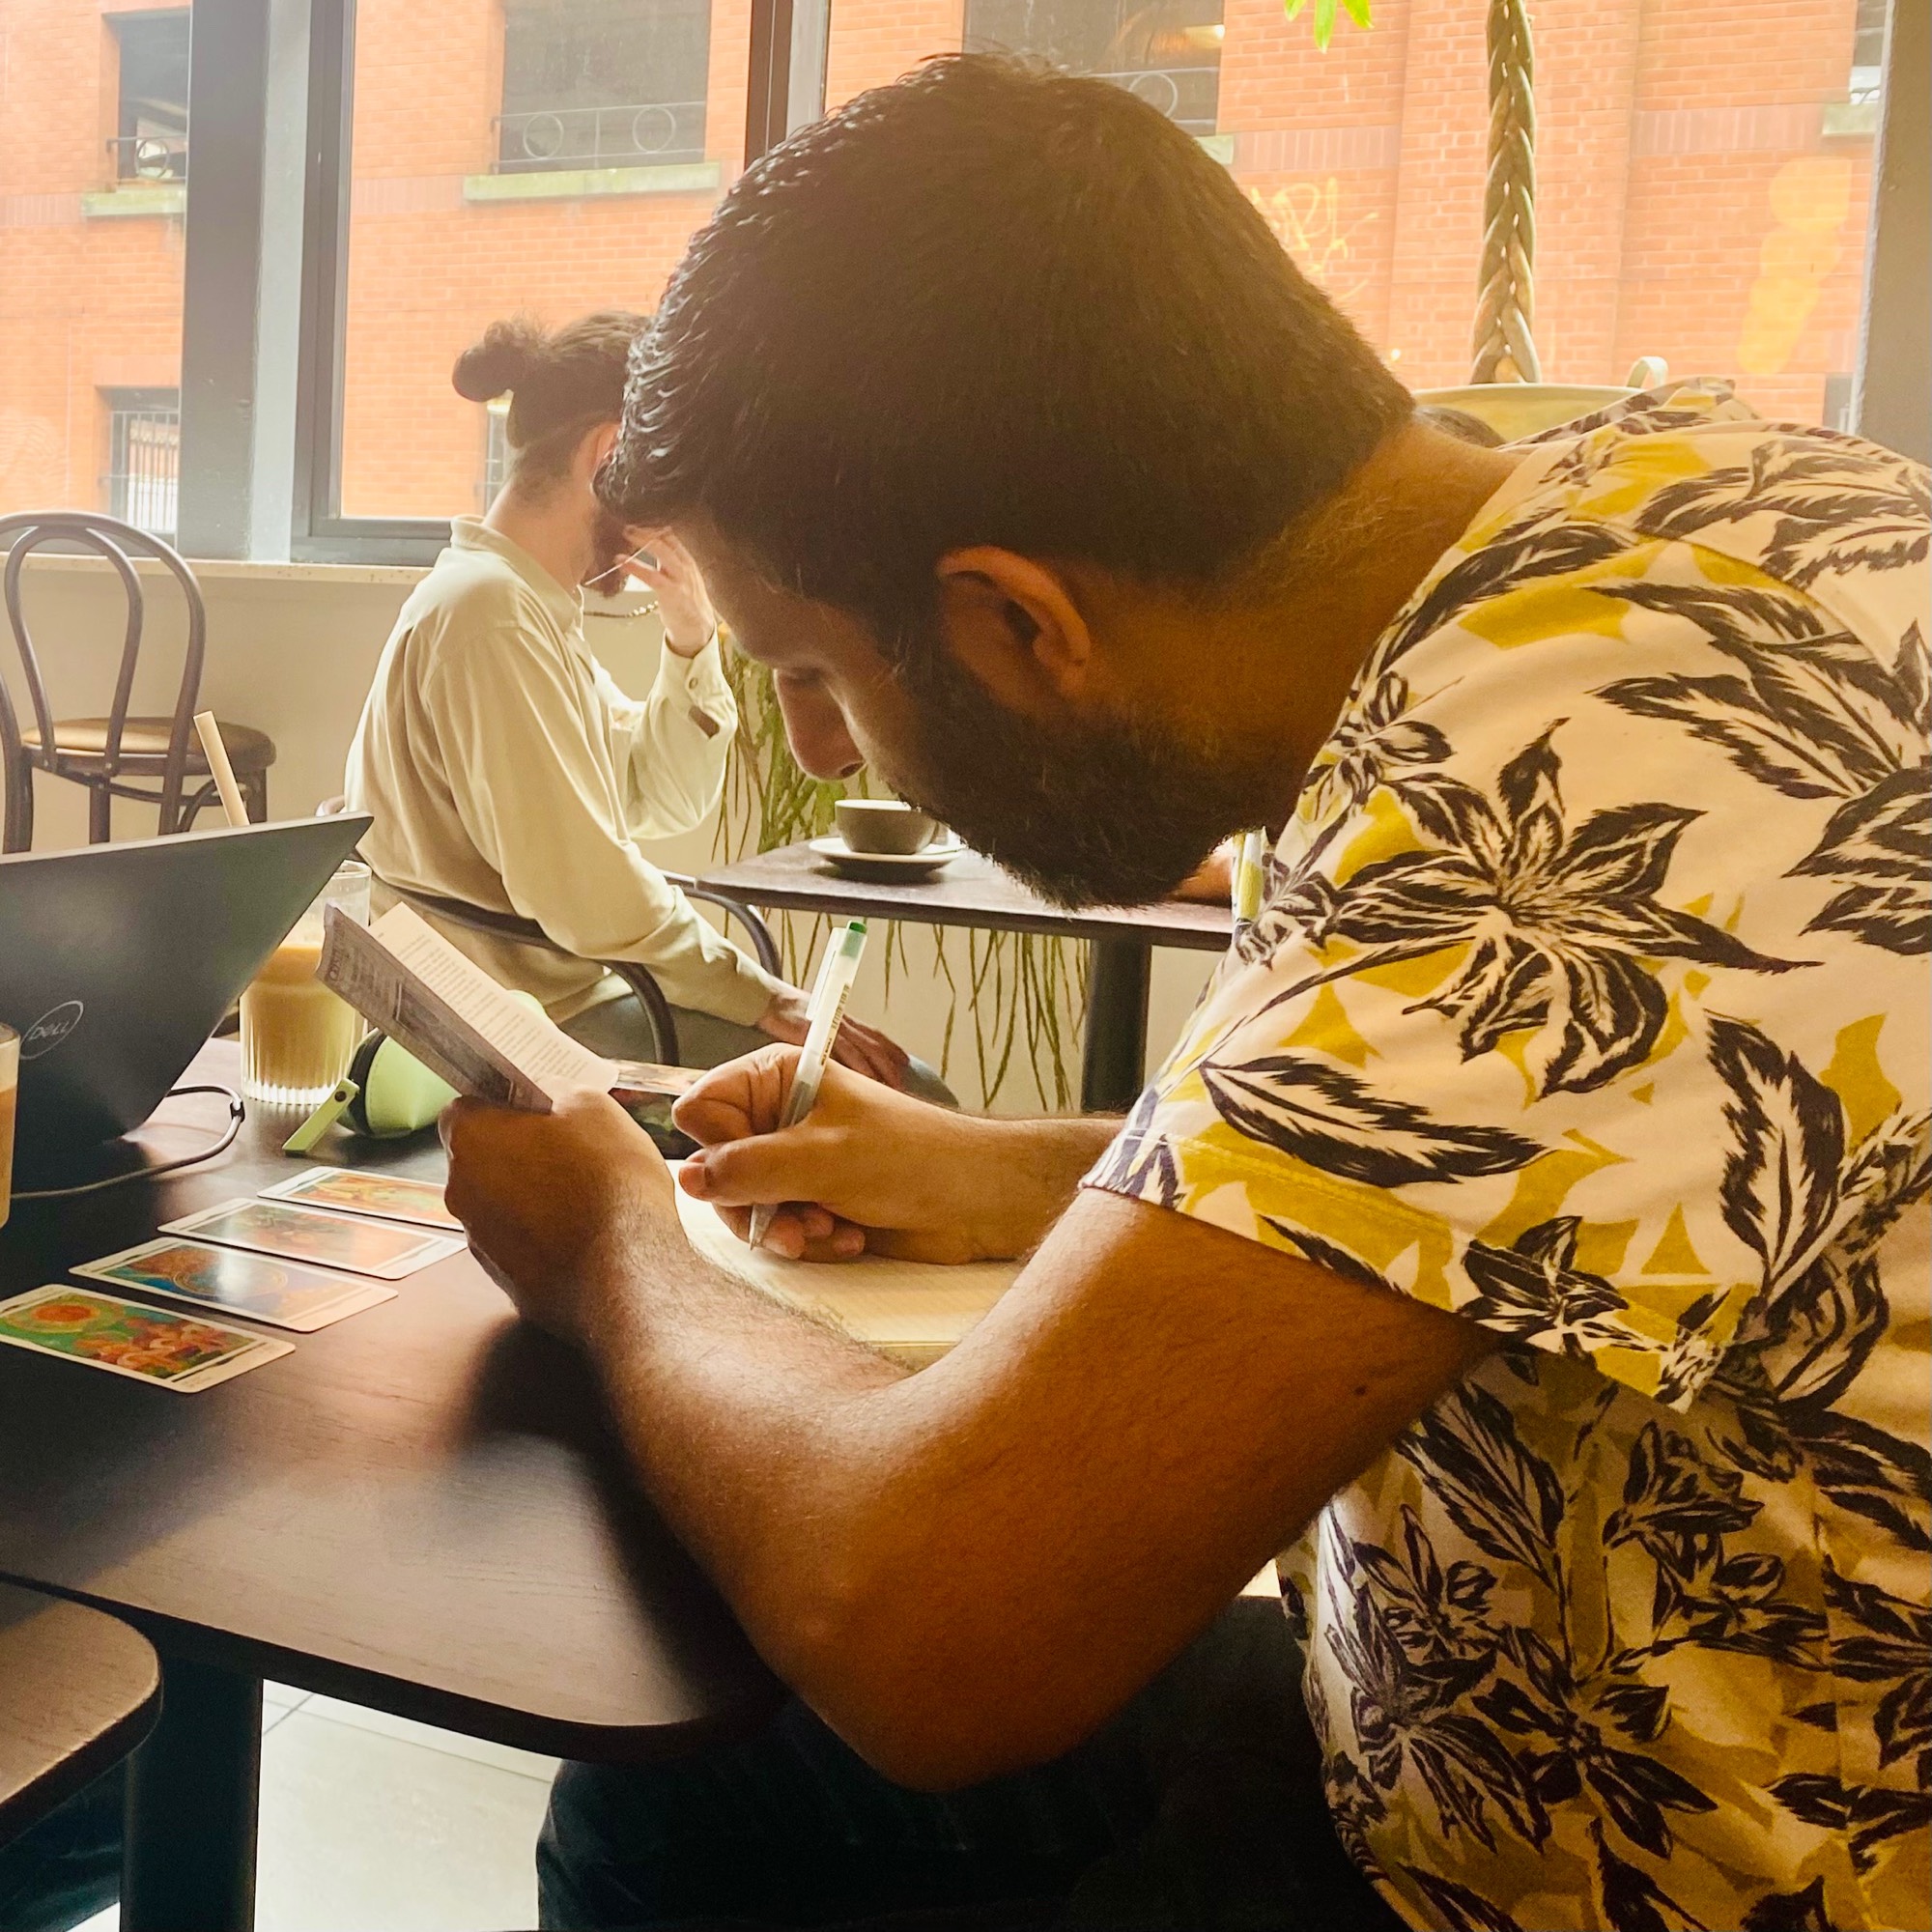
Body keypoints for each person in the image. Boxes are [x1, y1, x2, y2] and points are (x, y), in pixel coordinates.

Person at [440, 59, 1930, 1932]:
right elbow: (1489, 1179)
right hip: (1444, 1714)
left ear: (1016, 621)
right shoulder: (1668, 539)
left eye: (811, 674)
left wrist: (612, 1246)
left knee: (778, 1704)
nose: (816, 752)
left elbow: (934, 1630)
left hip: (1639, 1878)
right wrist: (991, 1173)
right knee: (691, 1782)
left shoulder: (1553, 822)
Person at [343, 311, 912, 1087]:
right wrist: (764, 996)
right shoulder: (491, 615)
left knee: (888, 1093)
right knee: (903, 1092)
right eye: (673, 480)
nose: (679, 517)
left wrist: (690, 639)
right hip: (526, 1017)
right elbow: (583, 893)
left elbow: (661, 795)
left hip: (574, 991)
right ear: (611, 453)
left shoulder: (525, 605)